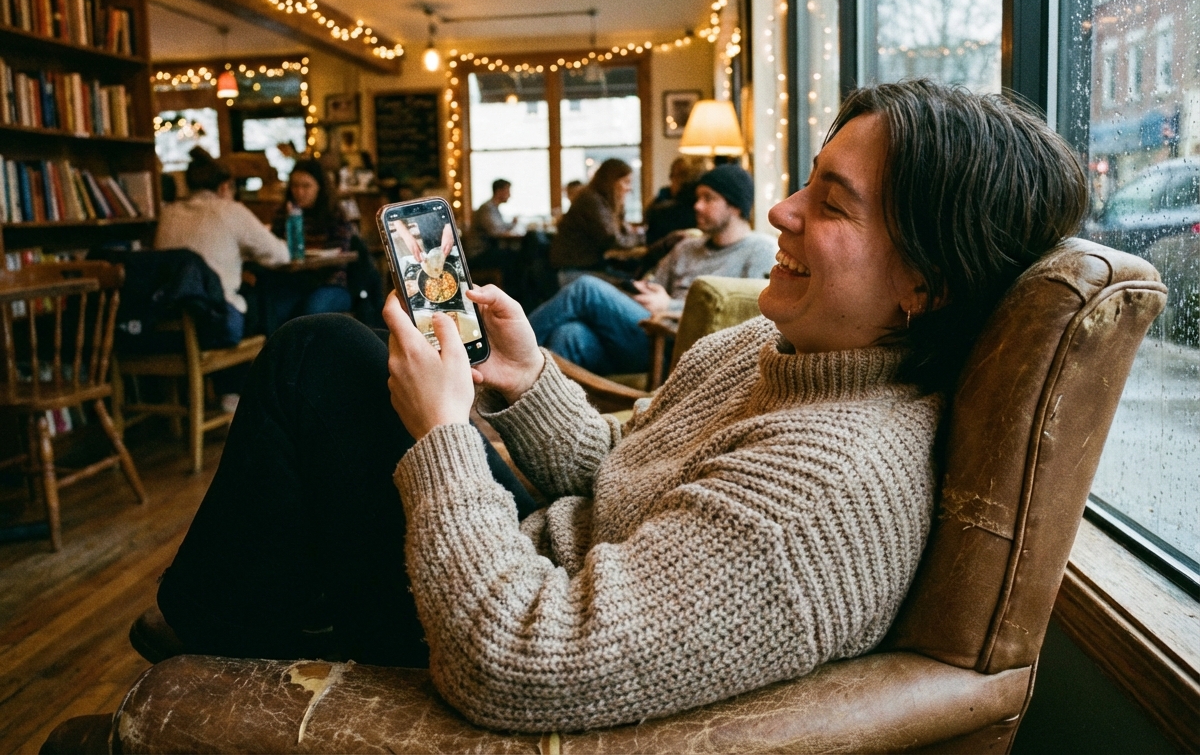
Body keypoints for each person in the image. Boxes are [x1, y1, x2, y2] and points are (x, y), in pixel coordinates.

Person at [149, 81, 1088, 734]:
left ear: (927, 281)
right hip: (526, 556)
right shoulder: (771, 349)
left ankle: (209, 659)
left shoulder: (829, 494)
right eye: (804, 180)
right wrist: (525, 381)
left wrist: (442, 436)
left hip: (491, 622)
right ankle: (226, 629)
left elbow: (516, 663)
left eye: (830, 205)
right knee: (334, 353)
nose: (780, 214)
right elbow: (630, 476)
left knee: (318, 352)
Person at [527, 164, 776, 375]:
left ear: (735, 206)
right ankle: (539, 417)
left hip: (681, 346)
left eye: (708, 199)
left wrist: (670, 306)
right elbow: (653, 282)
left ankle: (506, 349)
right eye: (698, 198)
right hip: (645, 336)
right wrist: (643, 289)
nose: (697, 206)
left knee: (585, 287)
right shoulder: (687, 247)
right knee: (569, 334)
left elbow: (752, 320)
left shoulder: (760, 251)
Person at [155, 148, 290, 348]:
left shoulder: (168, 213)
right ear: (225, 187)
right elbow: (281, 256)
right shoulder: (229, 210)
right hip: (212, 324)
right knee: (262, 298)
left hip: (163, 326)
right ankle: (270, 370)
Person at [264, 160, 355, 333]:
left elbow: (339, 255)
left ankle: (309, 359)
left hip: (330, 283)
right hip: (294, 282)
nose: (299, 192)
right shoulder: (284, 214)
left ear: (319, 187)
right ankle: (282, 358)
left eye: (306, 186)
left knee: (311, 311)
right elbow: (273, 248)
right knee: (273, 309)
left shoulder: (334, 214)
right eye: (295, 186)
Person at [550, 158, 643, 284]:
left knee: (635, 281)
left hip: (585, 268)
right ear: (612, 182)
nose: (629, 188)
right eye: (626, 182)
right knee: (633, 285)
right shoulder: (592, 201)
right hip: (574, 272)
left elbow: (622, 232)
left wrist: (620, 206)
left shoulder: (600, 201)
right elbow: (613, 239)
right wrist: (642, 237)